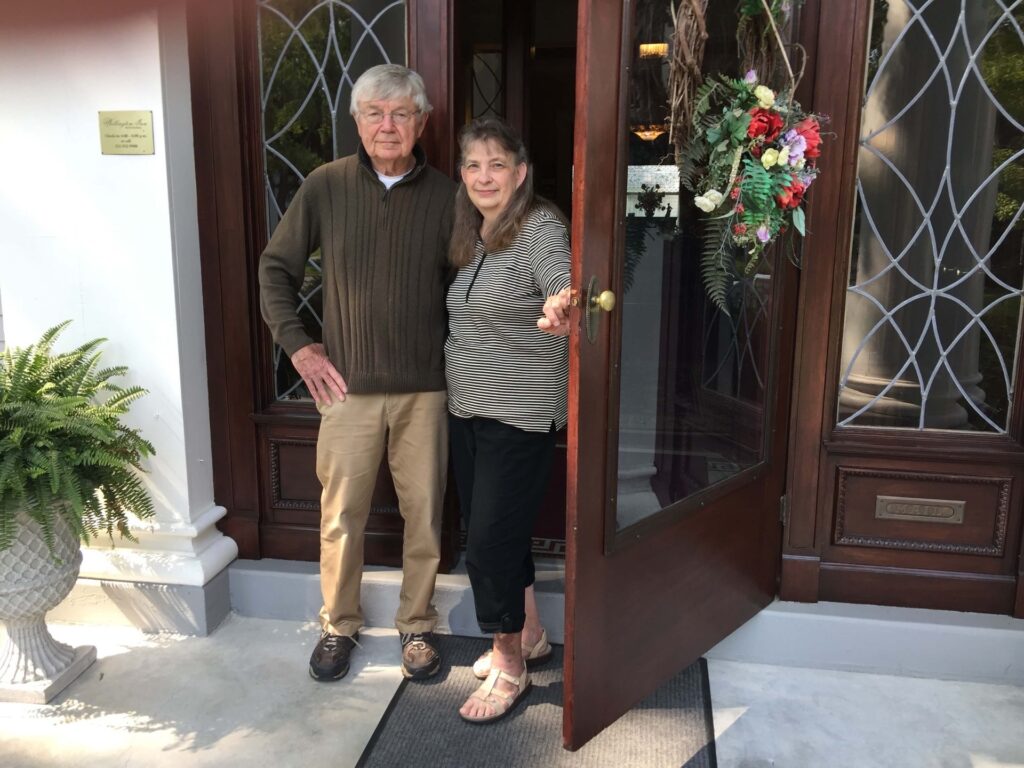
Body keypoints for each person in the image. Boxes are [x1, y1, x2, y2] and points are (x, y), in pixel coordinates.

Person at [258, 64, 455, 683]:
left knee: (423, 513)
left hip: (425, 388)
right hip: (345, 389)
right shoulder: (325, 186)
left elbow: (473, 286)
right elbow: (275, 270)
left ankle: (417, 626)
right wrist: (301, 348)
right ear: (357, 121)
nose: (388, 125)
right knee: (341, 515)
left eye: (401, 113)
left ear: (422, 122)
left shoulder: (451, 196)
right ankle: (338, 624)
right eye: (375, 113)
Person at [445, 117, 573, 723]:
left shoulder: (540, 226)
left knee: (489, 543)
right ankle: (532, 635)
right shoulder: (475, 236)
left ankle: (510, 665)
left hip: (518, 412)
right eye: (473, 165)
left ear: (520, 173)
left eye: (497, 164)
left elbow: (561, 282)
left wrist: (562, 305)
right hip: (469, 409)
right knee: (504, 530)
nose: (484, 175)